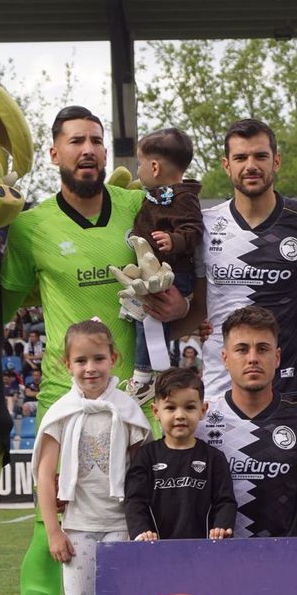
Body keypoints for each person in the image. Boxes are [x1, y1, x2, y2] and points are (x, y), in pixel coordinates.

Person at [0, 104, 188, 595]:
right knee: (49, 530)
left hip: (137, 397)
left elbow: (179, 276)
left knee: (142, 527)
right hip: (64, 397)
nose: (88, 150)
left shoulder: (135, 209)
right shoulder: (28, 229)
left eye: (97, 142)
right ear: (54, 154)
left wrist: (176, 305)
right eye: (76, 141)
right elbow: (3, 301)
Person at [29, 318, 151, 595]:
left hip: (120, 528)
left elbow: (142, 475)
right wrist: (53, 530)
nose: (90, 368)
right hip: (78, 529)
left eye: (99, 358)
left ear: (114, 359)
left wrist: (140, 529)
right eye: (81, 360)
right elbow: (45, 475)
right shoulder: (61, 413)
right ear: (67, 364)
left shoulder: (129, 410)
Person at [181, 118, 297, 403]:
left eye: (260, 156)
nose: (250, 165)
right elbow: (198, 306)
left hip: (290, 387)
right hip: (222, 388)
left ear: (276, 161)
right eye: (241, 157)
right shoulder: (203, 226)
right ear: (226, 165)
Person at [198, 306, 297, 538]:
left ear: (277, 358)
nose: (253, 358)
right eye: (242, 349)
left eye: (262, 349)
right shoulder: (200, 420)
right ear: (225, 358)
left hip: (284, 565)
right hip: (216, 565)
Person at [124, 126, 204, 397]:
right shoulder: (152, 195)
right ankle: (154, 372)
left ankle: (146, 374)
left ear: (155, 167)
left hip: (171, 273)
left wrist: (174, 240)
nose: (138, 171)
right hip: (150, 270)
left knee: (152, 317)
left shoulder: (184, 197)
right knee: (145, 316)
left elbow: (194, 230)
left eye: (140, 164)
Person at [123, 367, 235, 542]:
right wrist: (141, 531)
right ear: (155, 411)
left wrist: (221, 526)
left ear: (203, 410)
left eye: (189, 407)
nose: (180, 415)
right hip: (155, 551)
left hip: (204, 552)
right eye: (170, 407)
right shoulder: (146, 456)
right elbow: (135, 501)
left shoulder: (214, 458)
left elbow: (225, 501)